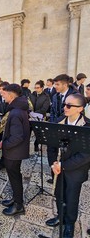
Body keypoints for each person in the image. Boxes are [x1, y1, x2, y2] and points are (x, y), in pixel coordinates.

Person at [45, 93, 90, 238]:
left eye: (69, 105)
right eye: (65, 104)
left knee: (71, 198)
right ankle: (61, 215)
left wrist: (63, 165)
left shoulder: (87, 126)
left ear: (80, 109)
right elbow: (51, 146)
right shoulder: (59, 121)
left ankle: (70, 223)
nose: (65, 107)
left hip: (75, 171)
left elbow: (85, 155)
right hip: (58, 168)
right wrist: (54, 163)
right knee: (59, 194)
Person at [0, 84, 30, 216]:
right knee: (15, 177)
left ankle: (19, 205)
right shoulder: (18, 109)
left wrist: (5, 144)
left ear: (11, 96)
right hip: (15, 151)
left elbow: (17, 137)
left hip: (14, 152)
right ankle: (16, 198)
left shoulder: (16, 112)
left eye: (4, 94)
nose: (2, 96)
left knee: (15, 178)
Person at [47, 74, 78, 184]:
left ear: (65, 84)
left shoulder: (75, 96)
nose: (55, 86)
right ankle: (54, 175)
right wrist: (51, 125)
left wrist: (55, 124)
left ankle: (64, 177)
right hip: (55, 129)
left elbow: (68, 114)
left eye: (57, 84)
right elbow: (52, 112)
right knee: (51, 152)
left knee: (65, 155)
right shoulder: (55, 96)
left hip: (67, 131)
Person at [30, 80, 50, 151]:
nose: (36, 89)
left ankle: (36, 144)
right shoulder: (32, 95)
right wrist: (30, 112)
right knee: (28, 132)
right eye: (35, 87)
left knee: (38, 134)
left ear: (42, 88)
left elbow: (44, 108)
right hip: (30, 117)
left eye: (38, 88)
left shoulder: (46, 97)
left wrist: (34, 113)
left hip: (39, 117)